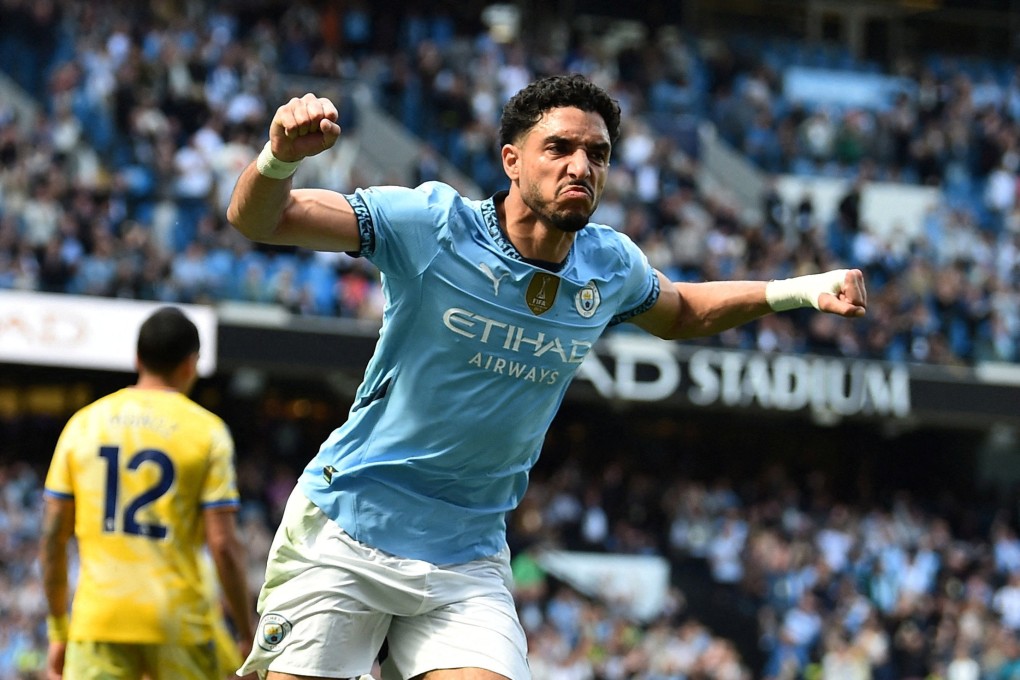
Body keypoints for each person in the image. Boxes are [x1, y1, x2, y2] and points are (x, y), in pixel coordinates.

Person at [226, 73, 867, 680]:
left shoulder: (609, 265)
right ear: (512, 160)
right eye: (559, 148)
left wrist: (803, 291)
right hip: (349, 527)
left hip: (467, 553)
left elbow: (684, 312)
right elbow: (261, 219)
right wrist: (279, 158)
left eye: (598, 154)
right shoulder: (432, 225)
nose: (581, 167)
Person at [39, 306, 256, 680]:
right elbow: (223, 545)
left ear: (138, 358)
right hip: (178, 622)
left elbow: (53, 538)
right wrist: (246, 631)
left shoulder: (83, 425)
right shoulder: (207, 432)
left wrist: (59, 628)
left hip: (98, 619)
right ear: (191, 364)